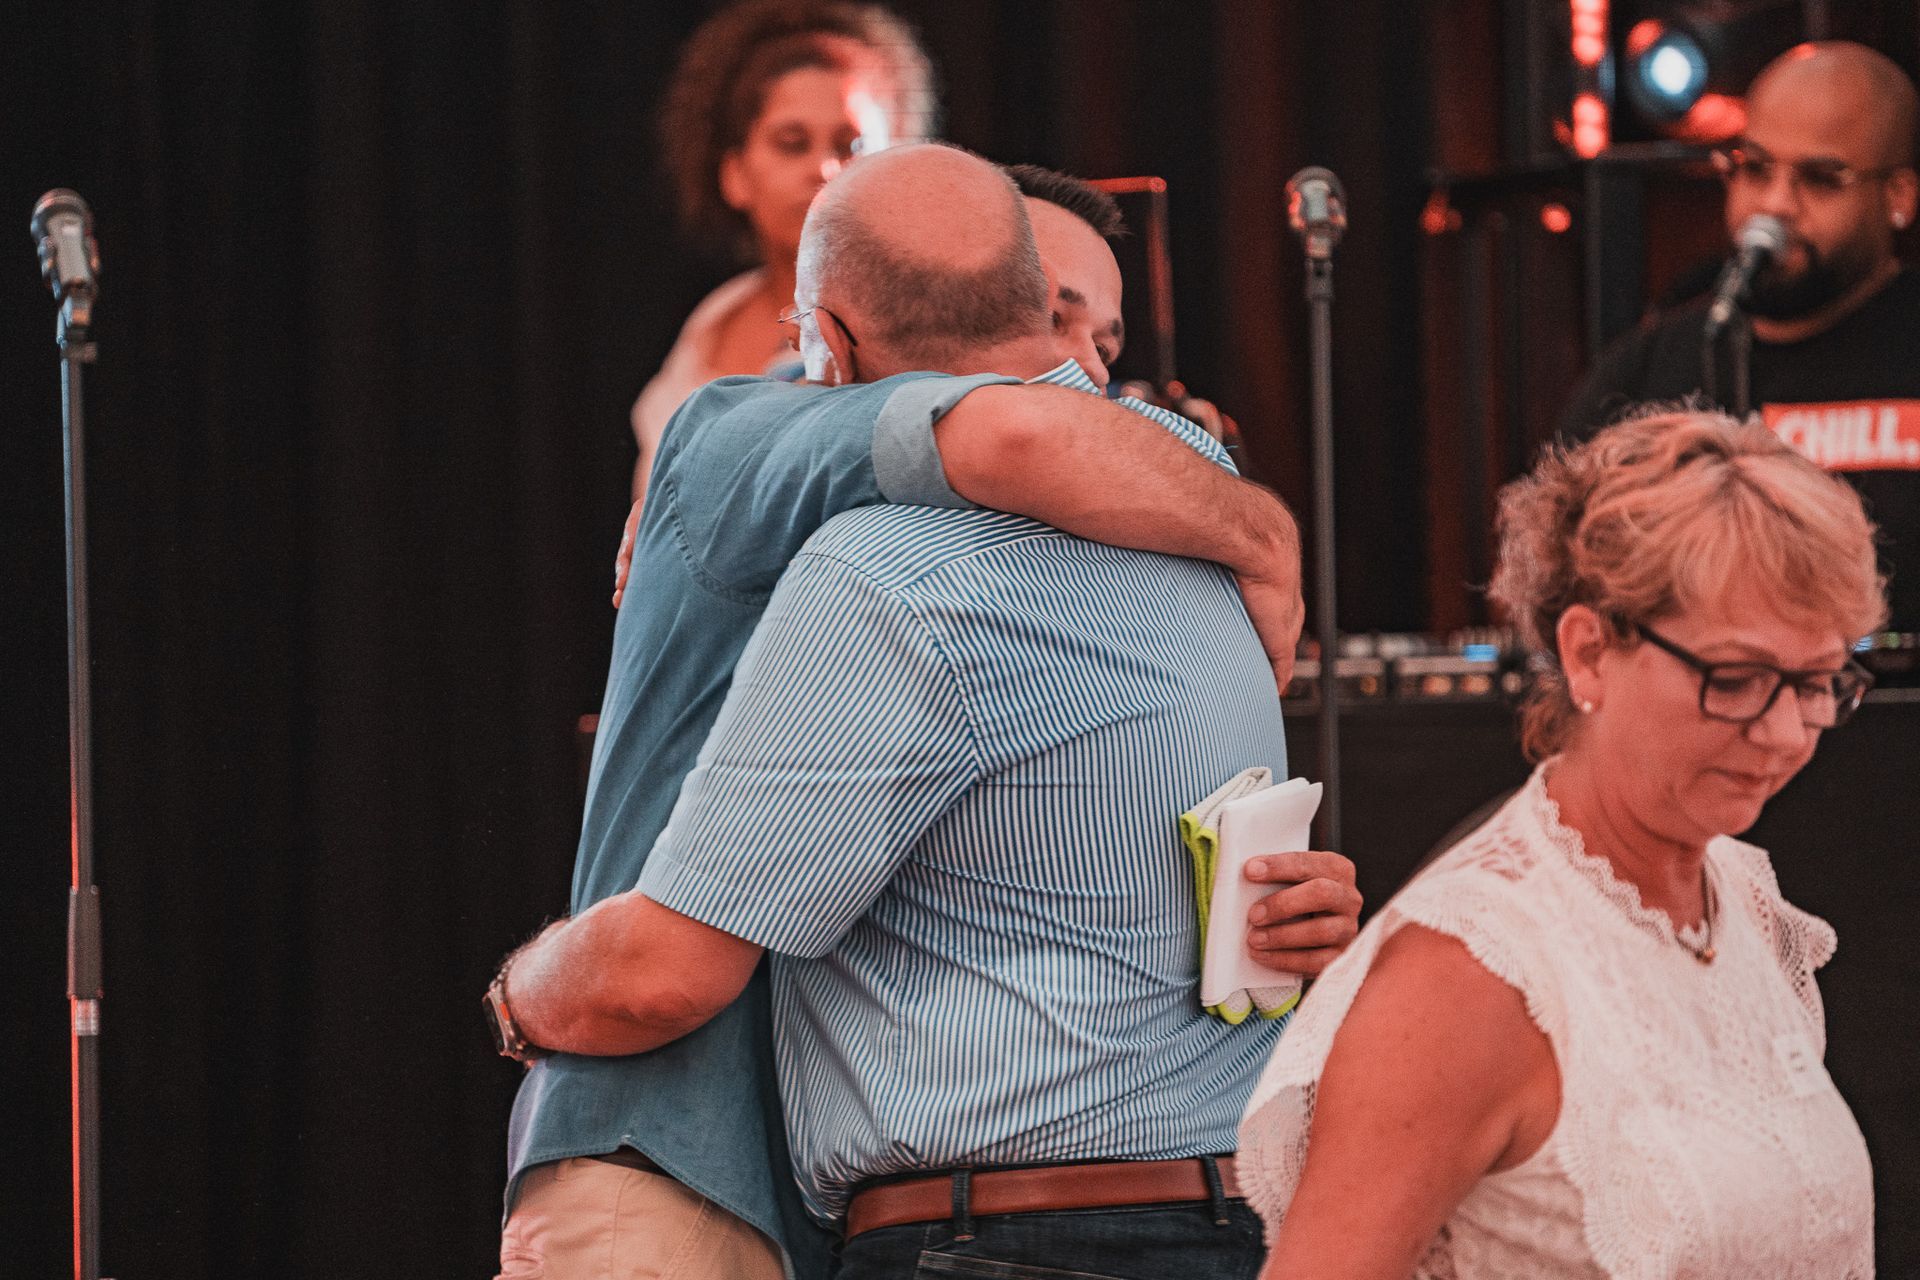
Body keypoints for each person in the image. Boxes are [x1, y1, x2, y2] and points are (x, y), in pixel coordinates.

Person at [492, 144, 1353, 1280]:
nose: (1092, 377)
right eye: (1072, 325)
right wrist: (1265, 530)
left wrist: (511, 996)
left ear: (832, 336)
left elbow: (663, 975)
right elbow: (1021, 432)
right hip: (1214, 1217)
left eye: (1111, 344)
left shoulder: (893, 570)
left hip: (1002, 1224)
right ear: (1030, 313)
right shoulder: (1191, 506)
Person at [1236, 408, 1883, 1277]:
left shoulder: (1744, 899)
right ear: (1588, 652)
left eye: (1816, 683)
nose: (1785, 733)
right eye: (1736, 680)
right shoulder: (1471, 971)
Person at [1560, 40, 1920, 630]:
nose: (1775, 205)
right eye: (1755, 168)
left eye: (1820, 179)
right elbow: (1568, 576)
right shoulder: (1655, 363)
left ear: (1898, 196)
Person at [630, 0, 937, 501]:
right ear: (734, 174)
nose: (824, 170)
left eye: (852, 145)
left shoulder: (922, 323)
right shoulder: (715, 319)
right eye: (792, 143)